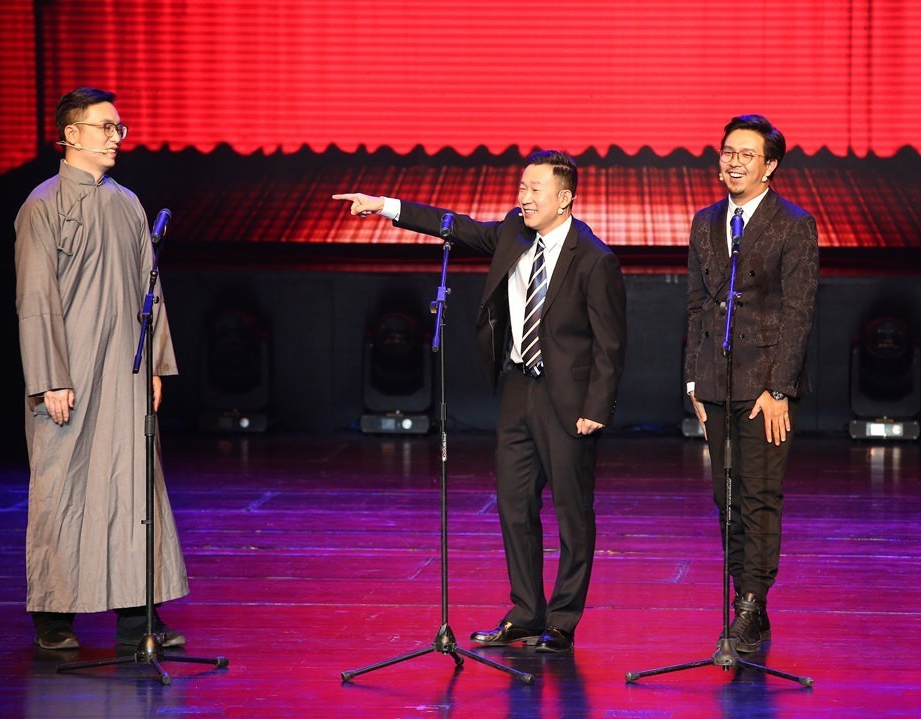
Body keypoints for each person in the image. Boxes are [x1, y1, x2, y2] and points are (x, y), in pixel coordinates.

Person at [334, 150, 627, 653]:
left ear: (564, 198)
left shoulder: (595, 258)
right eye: (522, 187)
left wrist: (596, 409)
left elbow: (610, 343)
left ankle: (562, 620)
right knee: (515, 506)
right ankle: (526, 613)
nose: (524, 197)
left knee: (573, 513)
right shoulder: (513, 232)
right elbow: (455, 225)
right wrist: (383, 205)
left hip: (568, 399)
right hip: (518, 389)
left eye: (534, 189)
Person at [15, 87, 189, 650]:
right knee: (63, 486)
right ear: (71, 134)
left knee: (133, 486)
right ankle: (53, 615)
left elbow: (148, 288)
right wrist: (50, 377)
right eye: (105, 127)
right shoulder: (44, 205)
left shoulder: (127, 202)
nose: (116, 137)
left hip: (126, 367)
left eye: (119, 128)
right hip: (70, 369)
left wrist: (155, 363)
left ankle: (139, 616)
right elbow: (36, 297)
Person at [684, 114, 819, 653]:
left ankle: (749, 604)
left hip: (765, 385)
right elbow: (696, 306)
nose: (734, 162)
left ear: (770, 166)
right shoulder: (705, 221)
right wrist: (693, 380)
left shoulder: (794, 223)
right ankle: (749, 604)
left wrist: (780, 388)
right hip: (716, 380)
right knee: (727, 497)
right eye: (728, 152)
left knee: (759, 496)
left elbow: (798, 312)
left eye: (746, 154)